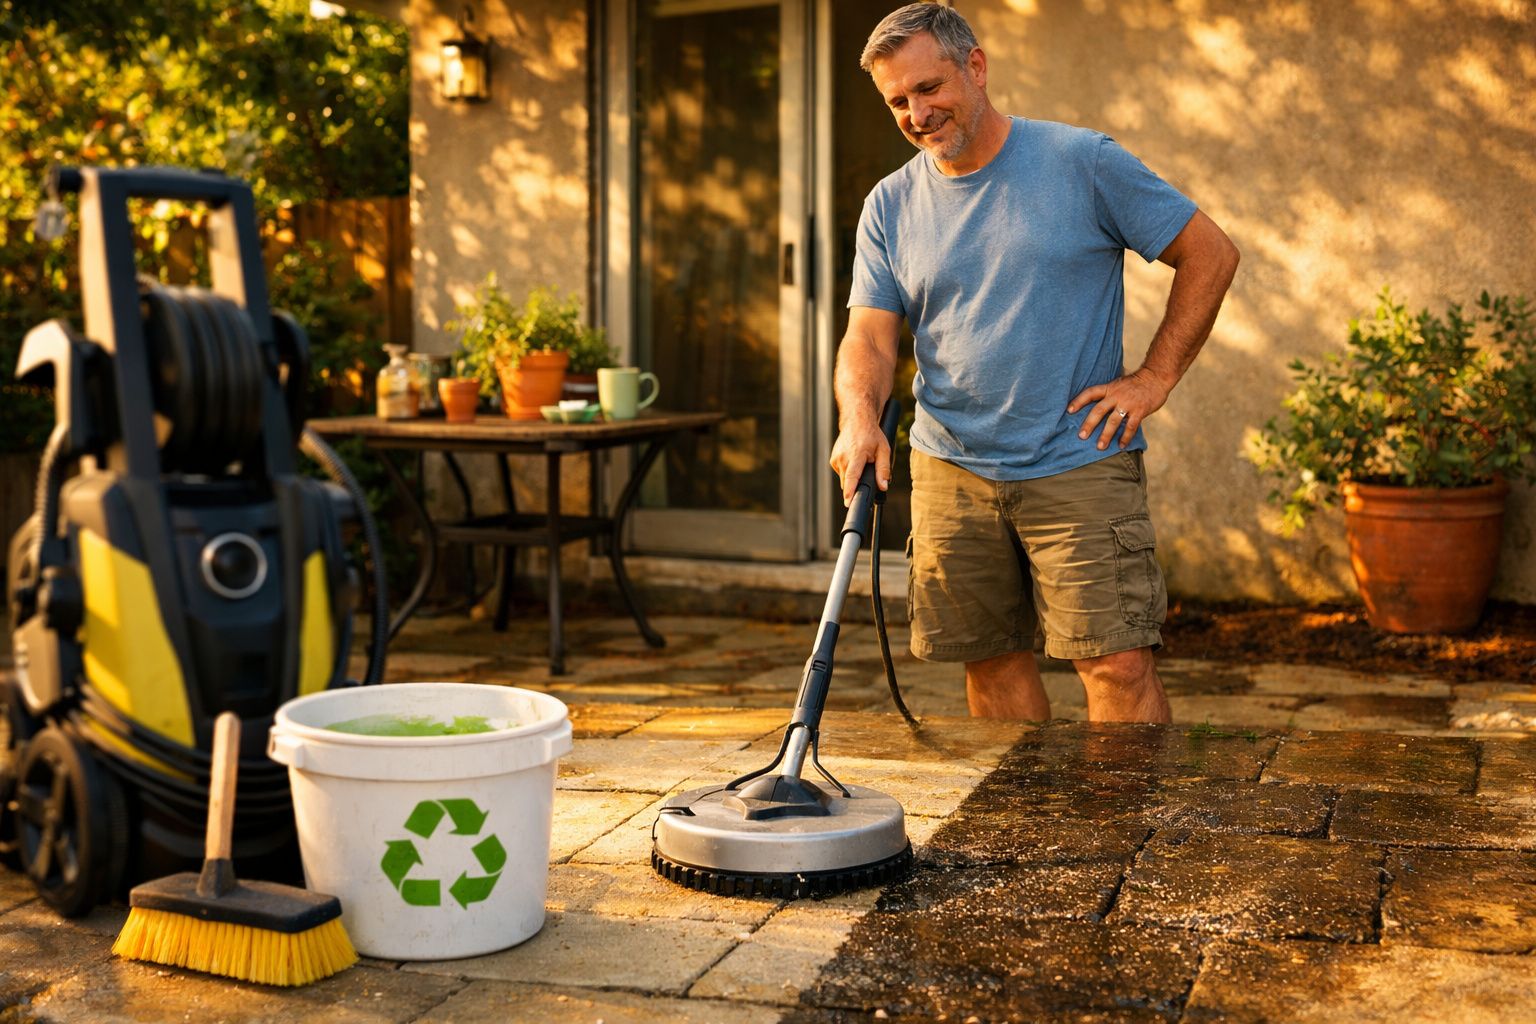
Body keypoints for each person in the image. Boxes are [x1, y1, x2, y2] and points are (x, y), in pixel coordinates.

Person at [830, 2, 1240, 724]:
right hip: (950, 466)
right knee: (991, 660)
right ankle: (1021, 833)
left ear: (975, 67)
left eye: (929, 89)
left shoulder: (1081, 162)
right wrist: (859, 419)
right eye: (898, 101)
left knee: (1115, 664)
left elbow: (1208, 252)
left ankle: (1124, 830)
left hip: (1077, 458)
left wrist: (1154, 378)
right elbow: (869, 336)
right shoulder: (890, 205)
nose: (917, 114)